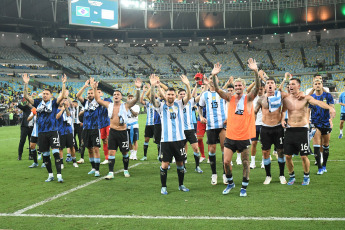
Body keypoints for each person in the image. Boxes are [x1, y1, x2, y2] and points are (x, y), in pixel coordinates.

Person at [212, 59, 260, 197]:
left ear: (244, 87)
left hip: (244, 137)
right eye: (236, 85)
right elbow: (217, 89)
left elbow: (257, 88)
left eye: (240, 85)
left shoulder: (249, 98)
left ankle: (244, 187)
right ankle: (231, 183)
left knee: (245, 163)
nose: (238, 87)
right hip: (230, 136)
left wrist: (255, 71)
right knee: (226, 162)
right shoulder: (229, 97)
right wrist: (214, 75)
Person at [282, 78, 336, 186]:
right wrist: (283, 119)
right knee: (287, 156)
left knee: (303, 156)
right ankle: (291, 176)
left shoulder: (305, 98)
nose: (290, 86)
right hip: (290, 130)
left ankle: (306, 176)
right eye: (289, 84)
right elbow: (283, 110)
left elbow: (318, 102)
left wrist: (331, 108)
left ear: (298, 86)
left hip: (302, 130)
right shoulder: (286, 99)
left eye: (293, 84)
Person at [150, 74, 191, 195]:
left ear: (175, 96)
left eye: (172, 94)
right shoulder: (161, 106)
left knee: (180, 163)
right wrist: (152, 87)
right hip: (166, 140)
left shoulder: (180, 104)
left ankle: (181, 185)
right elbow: (152, 100)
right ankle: (163, 187)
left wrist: (187, 85)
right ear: (165, 95)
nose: (171, 96)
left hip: (179, 139)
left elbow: (188, 97)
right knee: (165, 164)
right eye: (168, 94)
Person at [93, 78, 142, 180]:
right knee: (111, 152)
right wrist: (94, 88)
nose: (116, 96)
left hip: (123, 132)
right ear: (113, 96)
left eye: (118, 94)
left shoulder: (126, 105)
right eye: (114, 94)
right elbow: (98, 100)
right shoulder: (109, 105)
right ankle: (110, 172)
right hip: (113, 132)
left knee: (125, 152)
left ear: (121, 97)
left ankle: (125, 170)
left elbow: (136, 99)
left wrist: (138, 88)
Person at [23, 73, 66, 182]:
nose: (45, 95)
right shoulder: (38, 102)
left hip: (52, 131)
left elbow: (62, 96)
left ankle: (59, 175)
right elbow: (26, 97)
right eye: (43, 93)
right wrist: (26, 84)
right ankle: (50, 175)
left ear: (51, 95)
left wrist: (63, 83)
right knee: (46, 154)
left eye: (47, 94)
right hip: (41, 133)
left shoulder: (54, 103)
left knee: (56, 152)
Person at [254, 72, 295, 185]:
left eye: (272, 83)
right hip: (265, 129)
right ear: (265, 86)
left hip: (278, 128)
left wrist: (283, 116)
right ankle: (268, 176)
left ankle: (281, 175)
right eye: (268, 83)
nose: (270, 85)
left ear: (275, 86)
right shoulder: (261, 99)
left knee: (281, 152)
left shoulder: (280, 95)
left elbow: (288, 100)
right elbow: (254, 112)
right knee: (265, 152)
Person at [199, 74, 227, 185]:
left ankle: (225, 174)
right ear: (208, 81)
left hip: (222, 125)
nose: (213, 80)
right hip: (210, 125)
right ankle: (214, 174)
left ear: (218, 80)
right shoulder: (205, 94)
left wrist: (229, 118)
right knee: (211, 150)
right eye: (211, 78)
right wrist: (201, 116)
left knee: (224, 149)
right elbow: (200, 106)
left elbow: (230, 104)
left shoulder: (222, 92)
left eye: (215, 78)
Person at [76, 78, 102, 177]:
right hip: (86, 129)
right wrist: (85, 86)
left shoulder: (98, 102)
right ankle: (93, 167)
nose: (89, 95)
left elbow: (97, 97)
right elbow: (78, 96)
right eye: (88, 94)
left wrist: (94, 88)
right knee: (89, 149)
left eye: (91, 93)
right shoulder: (85, 103)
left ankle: (97, 170)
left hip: (95, 128)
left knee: (96, 149)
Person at [308, 79, 334, 174]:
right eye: (316, 84)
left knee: (326, 145)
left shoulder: (328, 96)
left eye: (319, 83)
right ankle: (319, 167)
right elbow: (308, 110)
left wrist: (331, 119)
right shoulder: (311, 97)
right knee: (316, 144)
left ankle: (324, 166)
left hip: (326, 123)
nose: (317, 85)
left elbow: (332, 109)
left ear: (322, 85)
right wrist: (307, 120)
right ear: (313, 86)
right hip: (315, 123)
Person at [177, 84, 203, 173]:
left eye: (184, 94)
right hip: (180, 130)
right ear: (177, 95)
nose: (183, 95)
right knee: (182, 150)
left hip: (190, 129)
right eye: (181, 94)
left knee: (196, 148)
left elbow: (200, 96)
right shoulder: (176, 104)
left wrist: (206, 86)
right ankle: (183, 167)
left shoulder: (190, 102)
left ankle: (197, 166)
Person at [56, 99, 78, 169]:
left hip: (69, 131)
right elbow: (57, 117)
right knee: (60, 148)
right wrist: (62, 110)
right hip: (61, 131)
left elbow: (69, 115)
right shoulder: (56, 110)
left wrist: (65, 108)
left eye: (64, 101)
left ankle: (74, 161)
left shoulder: (68, 109)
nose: (63, 102)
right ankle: (61, 163)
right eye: (62, 101)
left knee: (72, 147)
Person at [96, 88, 112, 165]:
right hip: (101, 124)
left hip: (108, 122)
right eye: (97, 93)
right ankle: (106, 158)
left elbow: (110, 106)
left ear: (102, 93)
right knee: (104, 141)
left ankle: (111, 156)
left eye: (99, 92)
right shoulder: (95, 103)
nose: (98, 94)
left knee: (109, 139)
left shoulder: (107, 99)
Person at [140, 84, 155, 161]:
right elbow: (141, 100)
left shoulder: (157, 103)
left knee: (158, 140)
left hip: (156, 124)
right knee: (146, 140)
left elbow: (151, 95)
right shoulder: (148, 104)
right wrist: (143, 92)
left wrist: (151, 88)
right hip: (148, 124)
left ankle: (160, 155)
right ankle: (145, 156)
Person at [250, 86, 264, 169]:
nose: (259, 91)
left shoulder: (266, 98)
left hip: (263, 124)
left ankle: (263, 161)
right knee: (253, 143)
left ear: (264, 89)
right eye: (258, 89)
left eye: (261, 89)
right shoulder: (253, 98)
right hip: (254, 124)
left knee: (264, 144)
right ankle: (253, 162)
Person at [127, 94, 140, 160]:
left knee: (135, 140)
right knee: (128, 141)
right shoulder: (125, 107)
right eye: (129, 98)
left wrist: (130, 109)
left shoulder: (136, 106)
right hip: (127, 126)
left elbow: (135, 114)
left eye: (131, 98)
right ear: (127, 99)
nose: (130, 99)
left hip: (134, 126)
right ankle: (131, 153)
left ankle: (135, 154)